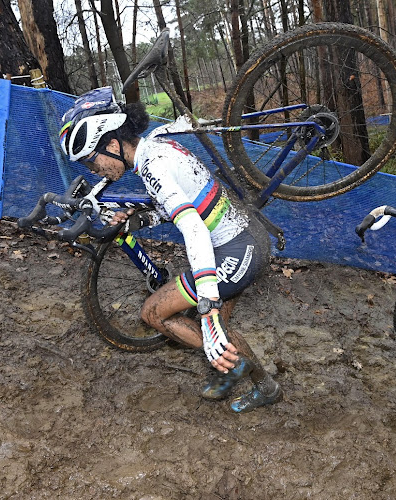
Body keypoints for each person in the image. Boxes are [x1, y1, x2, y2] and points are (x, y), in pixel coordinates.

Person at [58, 86, 281, 413]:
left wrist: (207, 305)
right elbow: (179, 204)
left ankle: (234, 367)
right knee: (220, 328)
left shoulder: (154, 167)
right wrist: (137, 220)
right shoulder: (156, 146)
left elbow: (192, 228)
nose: (94, 171)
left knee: (154, 313)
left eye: (92, 162)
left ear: (113, 144)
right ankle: (264, 385)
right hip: (246, 235)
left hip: (234, 250)